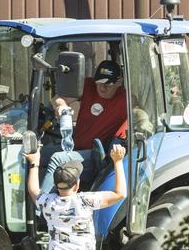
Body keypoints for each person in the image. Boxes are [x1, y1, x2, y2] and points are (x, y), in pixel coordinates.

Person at [39, 60, 128, 193]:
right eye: (99, 83)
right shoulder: (88, 86)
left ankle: (42, 206)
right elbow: (57, 98)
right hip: (75, 145)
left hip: (95, 155)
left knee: (58, 159)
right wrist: (61, 105)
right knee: (36, 155)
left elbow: (140, 114)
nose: (102, 88)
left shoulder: (126, 99)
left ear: (119, 82)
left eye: (108, 84)